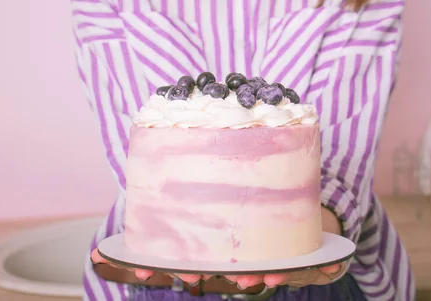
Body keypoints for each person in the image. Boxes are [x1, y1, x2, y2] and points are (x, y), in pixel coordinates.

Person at [71, 0, 413, 300]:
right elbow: (145, 166)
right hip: (152, 286)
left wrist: (292, 248)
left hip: (319, 286)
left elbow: (341, 170)